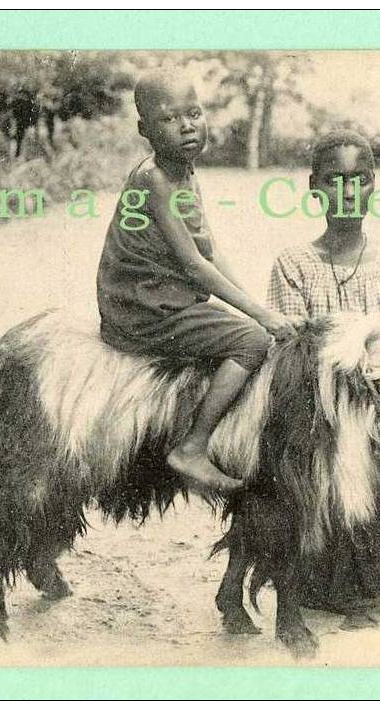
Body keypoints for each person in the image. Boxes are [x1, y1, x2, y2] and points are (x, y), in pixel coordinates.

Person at [96, 68, 299, 494]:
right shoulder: (153, 179)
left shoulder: (183, 172)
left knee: (253, 327)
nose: (187, 126)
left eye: (194, 113)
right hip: (144, 311)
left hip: (164, 300)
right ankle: (192, 446)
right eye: (170, 119)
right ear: (144, 130)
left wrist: (256, 307)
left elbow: (208, 251)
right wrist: (260, 320)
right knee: (253, 342)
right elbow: (193, 266)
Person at [267, 129, 380, 626]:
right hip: (322, 411)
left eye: (359, 180)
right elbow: (292, 348)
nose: (348, 192)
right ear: (315, 186)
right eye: (335, 180)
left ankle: (379, 584)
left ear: (374, 185)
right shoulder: (294, 264)